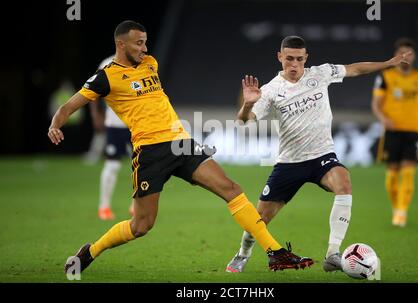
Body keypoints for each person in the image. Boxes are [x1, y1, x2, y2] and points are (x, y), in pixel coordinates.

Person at [48, 20, 312, 275]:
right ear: (121, 44)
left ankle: (274, 252)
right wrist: (55, 125)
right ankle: (91, 250)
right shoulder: (105, 78)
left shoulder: (150, 64)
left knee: (231, 189)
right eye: (139, 43)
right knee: (141, 226)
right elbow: (67, 107)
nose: (145, 49)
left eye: (146, 43)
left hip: (181, 143)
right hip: (150, 153)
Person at [225, 35, 412, 273]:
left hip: (322, 155)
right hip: (290, 162)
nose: (294, 64)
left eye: (299, 59)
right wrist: (249, 104)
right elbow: (243, 122)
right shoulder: (271, 90)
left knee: (343, 181)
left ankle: (333, 254)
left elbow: (355, 69)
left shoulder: (320, 74)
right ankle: (243, 253)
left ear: (306, 58)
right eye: (289, 59)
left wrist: (389, 63)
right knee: (259, 220)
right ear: (280, 57)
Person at [371, 38, 418, 227]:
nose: (406, 56)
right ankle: (396, 208)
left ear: (414, 56)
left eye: (409, 53)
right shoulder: (385, 77)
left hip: (413, 131)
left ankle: (402, 212)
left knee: (409, 172)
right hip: (392, 131)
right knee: (392, 174)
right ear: (396, 55)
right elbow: (376, 105)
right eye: (402, 52)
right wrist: (384, 119)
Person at [90, 55, 134, 220]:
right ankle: (104, 207)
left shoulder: (143, 62)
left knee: (142, 164)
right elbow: (92, 90)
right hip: (115, 124)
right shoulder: (107, 63)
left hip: (137, 123)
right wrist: (96, 115)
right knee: (113, 165)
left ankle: (136, 205)